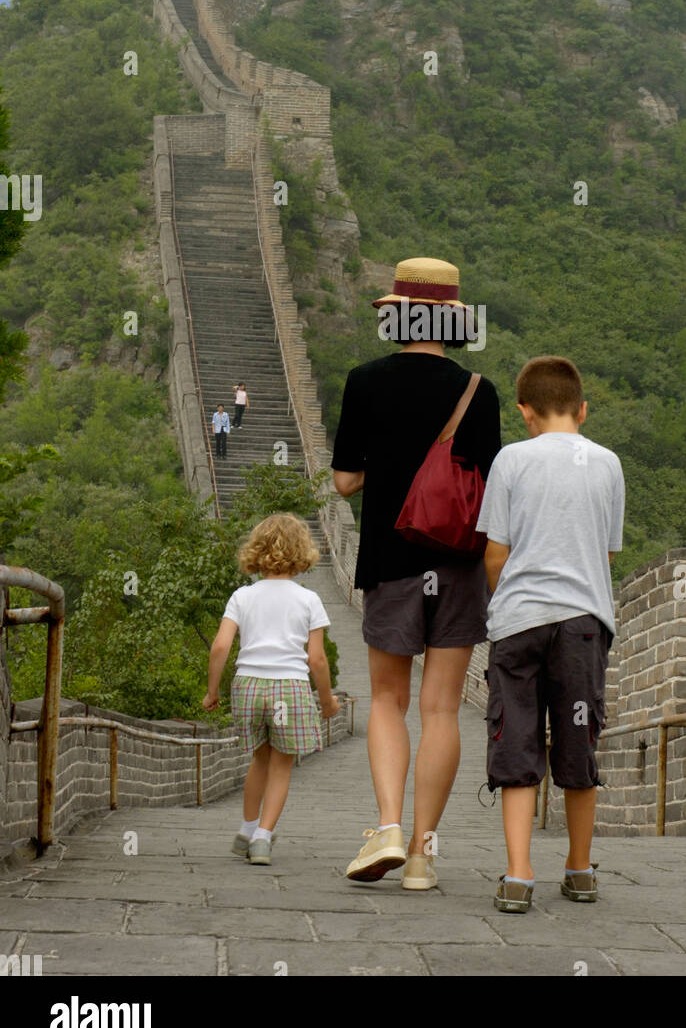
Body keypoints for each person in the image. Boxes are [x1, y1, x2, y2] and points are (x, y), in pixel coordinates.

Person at [332, 256, 501, 890]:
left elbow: (346, 480)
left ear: (398, 315)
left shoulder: (364, 381)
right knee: (441, 709)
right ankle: (424, 857)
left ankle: (387, 828)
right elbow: (490, 486)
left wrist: (392, 465)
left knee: (386, 700)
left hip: (391, 560)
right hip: (457, 566)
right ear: (451, 319)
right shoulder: (478, 391)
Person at [476, 356, 624, 913]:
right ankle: (580, 869)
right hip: (584, 624)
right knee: (578, 739)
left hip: (518, 622)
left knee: (515, 738)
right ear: (582, 409)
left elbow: (496, 552)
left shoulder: (510, 460)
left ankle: (518, 875)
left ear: (524, 412)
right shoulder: (607, 464)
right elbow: (607, 552)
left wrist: (507, 601)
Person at [202, 513, 340, 866]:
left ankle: (247, 829)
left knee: (259, 759)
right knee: (282, 765)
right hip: (288, 689)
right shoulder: (308, 599)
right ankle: (263, 838)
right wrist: (326, 701)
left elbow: (220, 646)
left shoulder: (242, 596)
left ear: (257, 551)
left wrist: (212, 691)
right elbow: (317, 660)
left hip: (248, 686)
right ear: (301, 552)